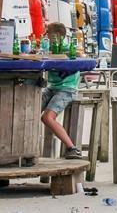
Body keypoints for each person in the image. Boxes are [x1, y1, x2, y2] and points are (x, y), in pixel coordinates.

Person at [40, 22, 82, 159]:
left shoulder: (66, 49)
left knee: (47, 117)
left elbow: (78, 56)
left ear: (57, 36)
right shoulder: (47, 49)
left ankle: (72, 148)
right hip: (52, 87)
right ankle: (27, 149)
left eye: (48, 33)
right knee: (29, 110)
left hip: (67, 89)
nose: (46, 35)